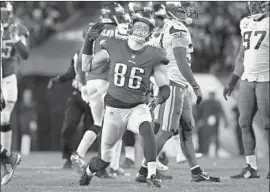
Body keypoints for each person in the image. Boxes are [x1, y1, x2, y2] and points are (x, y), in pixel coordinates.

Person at [79, 1, 170, 188]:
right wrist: (89, 41)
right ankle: (88, 172)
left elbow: (165, 88)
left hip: (137, 105)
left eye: (145, 28)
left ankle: (152, 174)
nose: (140, 30)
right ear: (130, 26)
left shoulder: (154, 54)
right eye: (137, 26)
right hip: (113, 110)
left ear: (151, 32)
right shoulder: (114, 45)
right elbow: (86, 66)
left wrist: (158, 98)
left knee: (147, 128)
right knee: (103, 160)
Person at [136, 2, 220, 183]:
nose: (189, 12)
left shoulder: (168, 26)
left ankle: (196, 171)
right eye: (184, 8)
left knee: (187, 128)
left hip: (176, 84)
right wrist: (196, 86)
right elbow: (182, 62)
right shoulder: (177, 28)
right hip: (173, 83)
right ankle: (144, 171)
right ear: (175, 11)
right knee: (167, 130)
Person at [71, 2, 129, 176]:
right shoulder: (119, 31)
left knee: (98, 123)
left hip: (90, 81)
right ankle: (104, 166)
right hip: (106, 82)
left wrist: (81, 82)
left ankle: (79, 153)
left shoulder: (93, 28)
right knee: (113, 125)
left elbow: (82, 58)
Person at [223, 1, 269, 179]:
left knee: (267, 124)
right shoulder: (245, 23)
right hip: (247, 80)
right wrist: (232, 82)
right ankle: (251, 166)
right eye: (254, 5)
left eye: (260, 5)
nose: (256, 8)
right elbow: (241, 56)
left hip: (266, 78)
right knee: (244, 122)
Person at [47, 48, 94, 169]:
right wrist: (58, 79)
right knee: (69, 126)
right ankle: (68, 158)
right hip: (78, 94)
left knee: (90, 130)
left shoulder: (103, 52)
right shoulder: (78, 54)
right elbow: (71, 72)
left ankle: (82, 157)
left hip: (94, 96)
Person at [1, 1, 29, 177]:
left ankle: (7, 159)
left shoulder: (18, 29)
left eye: (4, 12)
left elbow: (25, 54)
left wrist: (16, 38)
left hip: (8, 79)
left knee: (4, 118)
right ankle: (7, 158)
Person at [197, 89, 228, 156]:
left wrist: (225, 121)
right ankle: (205, 152)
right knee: (205, 138)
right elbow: (199, 112)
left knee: (215, 137)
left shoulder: (217, 102)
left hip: (215, 123)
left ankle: (216, 152)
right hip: (205, 124)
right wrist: (199, 121)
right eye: (211, 94)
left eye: (213, 94)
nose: (212, 95)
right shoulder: (204, 103)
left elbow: (221, 112)